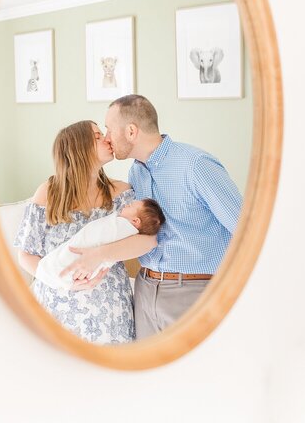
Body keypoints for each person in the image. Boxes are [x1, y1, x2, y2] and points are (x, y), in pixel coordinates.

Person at [61, 95, 242, 340]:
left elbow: (247, 229)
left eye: (109, 129)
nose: (107, 137)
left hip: (194, 291)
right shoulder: (136, 173)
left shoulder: (195, 165)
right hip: (145, 292)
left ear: (132, 131)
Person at [13, 119, 156, 345]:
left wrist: (100, 255)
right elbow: (26, 255)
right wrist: (64, 283)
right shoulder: (48, 193)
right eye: (98, 137)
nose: (108, 139)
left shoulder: (123, 193)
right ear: (79, 148)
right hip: (57, 309)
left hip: (110, 311)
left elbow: (147, 241)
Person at [36, 198, 165, 290]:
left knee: (65, 262)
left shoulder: (122, 227)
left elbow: (151, 242)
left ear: (135, 221)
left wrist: (98, 255)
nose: (126, 205)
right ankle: (54, 273)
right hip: (72, 280)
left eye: (130, 206)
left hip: (86, 269)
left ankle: (53, 272)